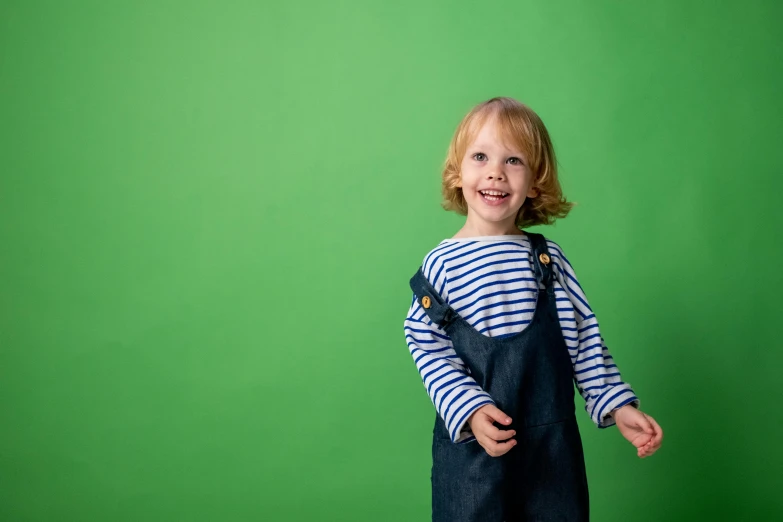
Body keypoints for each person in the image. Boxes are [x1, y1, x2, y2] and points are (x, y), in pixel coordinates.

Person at [403, 97, 663, 521]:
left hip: (551, 456)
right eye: (481, 156)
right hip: (474, 454)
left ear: (536, 182)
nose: (495, 172)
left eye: (514, 160)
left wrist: (618, 406)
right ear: (458, 173)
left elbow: (583, 341)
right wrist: (467, 409)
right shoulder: (442, 265)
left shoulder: (547, 259)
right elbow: (426, 346)